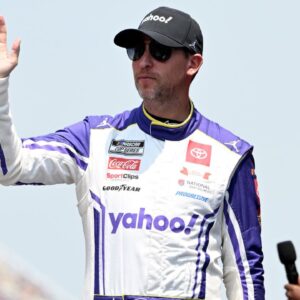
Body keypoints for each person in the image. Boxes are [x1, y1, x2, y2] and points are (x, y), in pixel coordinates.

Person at [0, 6, 264, 300]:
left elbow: (245, 272)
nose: (145, 62)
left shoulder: (230, 156)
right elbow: (10, 167)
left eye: (160, 51)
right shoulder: (95, 138)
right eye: (136, 50)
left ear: (193, 63)